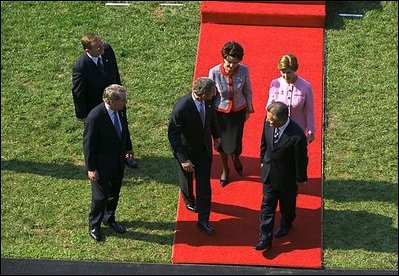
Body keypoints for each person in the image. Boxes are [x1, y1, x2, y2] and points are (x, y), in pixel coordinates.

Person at [168, 77, 221, 234]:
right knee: (186, 179)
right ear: (202, 94)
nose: (215, 94)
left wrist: (216, 135)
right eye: (212, 92)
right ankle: (189, 199)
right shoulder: (182, 108)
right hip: (187, 152)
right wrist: (183, 159)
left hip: (204, 151)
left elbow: (212, 119)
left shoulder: (209, 101)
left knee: (204, 185)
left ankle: (203, 219)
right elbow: (173, 135)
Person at [254, 102, 308, 251]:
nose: (267, 121)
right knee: (267, 207)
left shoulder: (297, 136)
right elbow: (264, 144)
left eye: (271, 119)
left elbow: (301, 160)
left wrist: (300, 179)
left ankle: (286, 223)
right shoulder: (268, 123)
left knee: (287, 206)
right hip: (269, 175)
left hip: (287, 179)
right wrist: (262, 162)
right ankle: (265, 239)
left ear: (283, 119)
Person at [83, 84, 134, 242]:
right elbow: (88, 146)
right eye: (123, 100)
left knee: (114, 193)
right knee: (100, 197)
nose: (126, 102)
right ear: (111, 101)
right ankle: (94, 225)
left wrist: (128, 148)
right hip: (101, 165)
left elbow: (124, 129)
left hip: (117, 161)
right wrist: (91, 168)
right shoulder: (95, 117)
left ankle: (109, 218)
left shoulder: (119, 110)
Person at [208, 41, 254, 187]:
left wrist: (248, 109)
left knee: (235, 143)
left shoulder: (244, 71)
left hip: (237, 112)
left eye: (235, 63)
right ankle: (225, 169)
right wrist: (209, 114)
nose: (231, 66)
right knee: (220, 143)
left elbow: (247, 91)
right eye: (229, 62)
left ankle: (235, 157)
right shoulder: (214, 72)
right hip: (219, 113)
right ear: (224, 58)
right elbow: (210, 94)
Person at [72, 32, 121, 122]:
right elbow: (78, 93)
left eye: (102, 44)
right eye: (98, 47)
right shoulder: (81, 67)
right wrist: (82, 115)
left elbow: (115, 72)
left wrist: (120, 93)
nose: (103, 48)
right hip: (97, 108)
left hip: (116, 103)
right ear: (88, 50)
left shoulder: (107, 50)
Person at [266, 54, 315, 144]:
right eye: (282, 72)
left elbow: (309, 111)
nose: (285, 75)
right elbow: (269, 105)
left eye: (289, 72)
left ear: (294, 70)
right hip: (279, 127)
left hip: (298, 129)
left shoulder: (306, 87)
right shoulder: (275, 83)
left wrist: (311, 131)